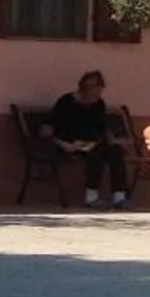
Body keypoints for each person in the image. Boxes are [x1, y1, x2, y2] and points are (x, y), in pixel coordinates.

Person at [47, 69, 130, 208]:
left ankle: (119, 197)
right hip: (68, 145)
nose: (96, 97)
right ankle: (91, 197)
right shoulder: (66, 103)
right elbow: (47, 130)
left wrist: (112, 141)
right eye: (93, 93)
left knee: (115, 151)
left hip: (91, 144)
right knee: (96, 152)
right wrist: (64, 144)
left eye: (99, 92)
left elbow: (102, 127)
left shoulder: (98, 104)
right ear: (84, 90)